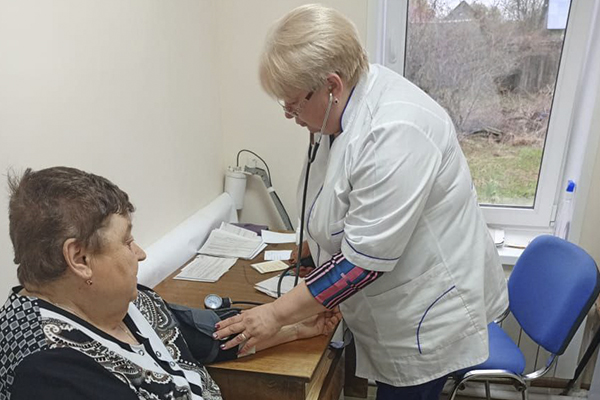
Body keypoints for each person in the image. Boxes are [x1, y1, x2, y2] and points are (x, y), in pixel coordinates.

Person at [214, 4, 509, 400]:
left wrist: (274, 315)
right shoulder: (343, 113)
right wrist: (311, 248)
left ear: (331, 86)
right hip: (392, 300)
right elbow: (341, 200)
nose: (289, 115)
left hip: (427, 312)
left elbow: (361, 263)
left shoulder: (396, 131)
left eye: (294, 103)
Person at [0, 166, 340, 400]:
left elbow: (209, 335)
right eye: (127, 242)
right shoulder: (49, 372)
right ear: (80, 259)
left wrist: (295, 327)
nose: (140, 254)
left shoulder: (119, 302)